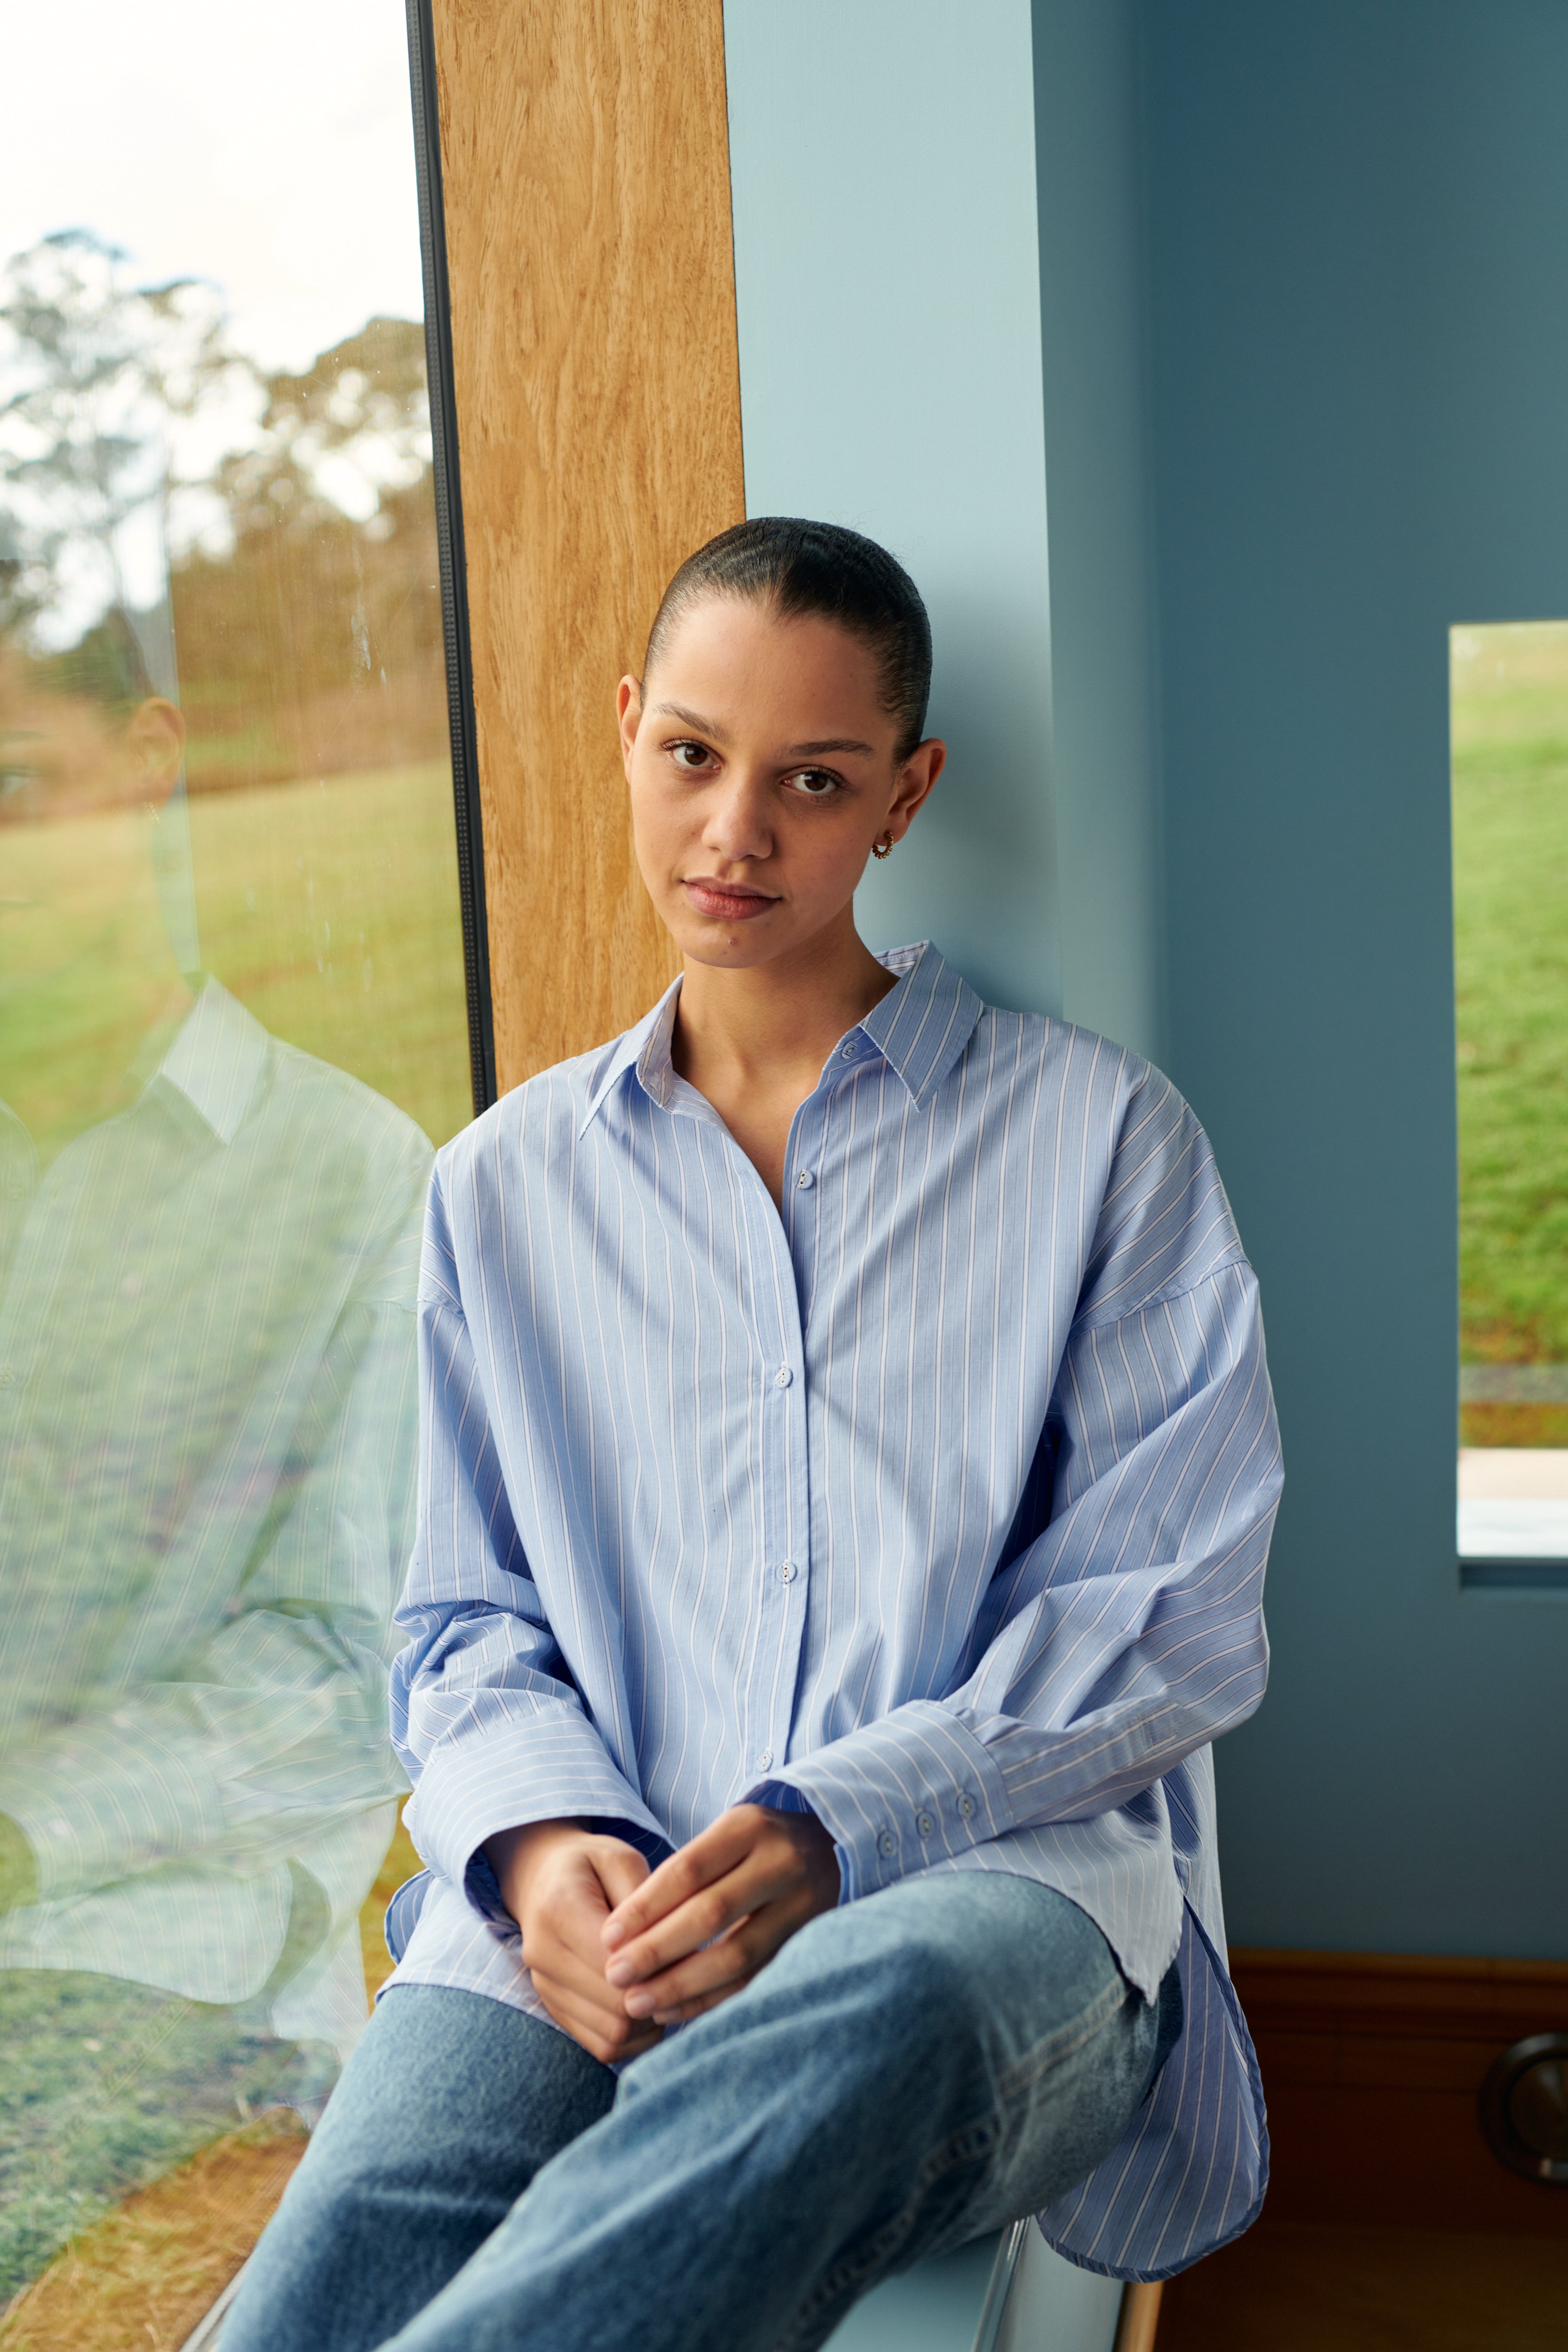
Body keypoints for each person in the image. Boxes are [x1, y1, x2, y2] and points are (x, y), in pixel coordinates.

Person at [226, 518, 1282, 2352]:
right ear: (631, 727)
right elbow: (464, 1627)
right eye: (695, 755)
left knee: (866, 2013)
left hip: (992, 1913)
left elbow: (1165, 1615)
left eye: (812, 778)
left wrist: (827, 1831)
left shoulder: (1103, 1137)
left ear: (904, 792)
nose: (735, 830)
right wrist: (539, 1847)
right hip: (586, 1934)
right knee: (343, 2252)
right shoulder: (501, 1188)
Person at [0, 608, 430, 2293]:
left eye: (16, 783)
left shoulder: (354, 1181)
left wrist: (25, 1833)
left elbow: (349, 1683)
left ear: (155, 768)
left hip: (165, 1979)